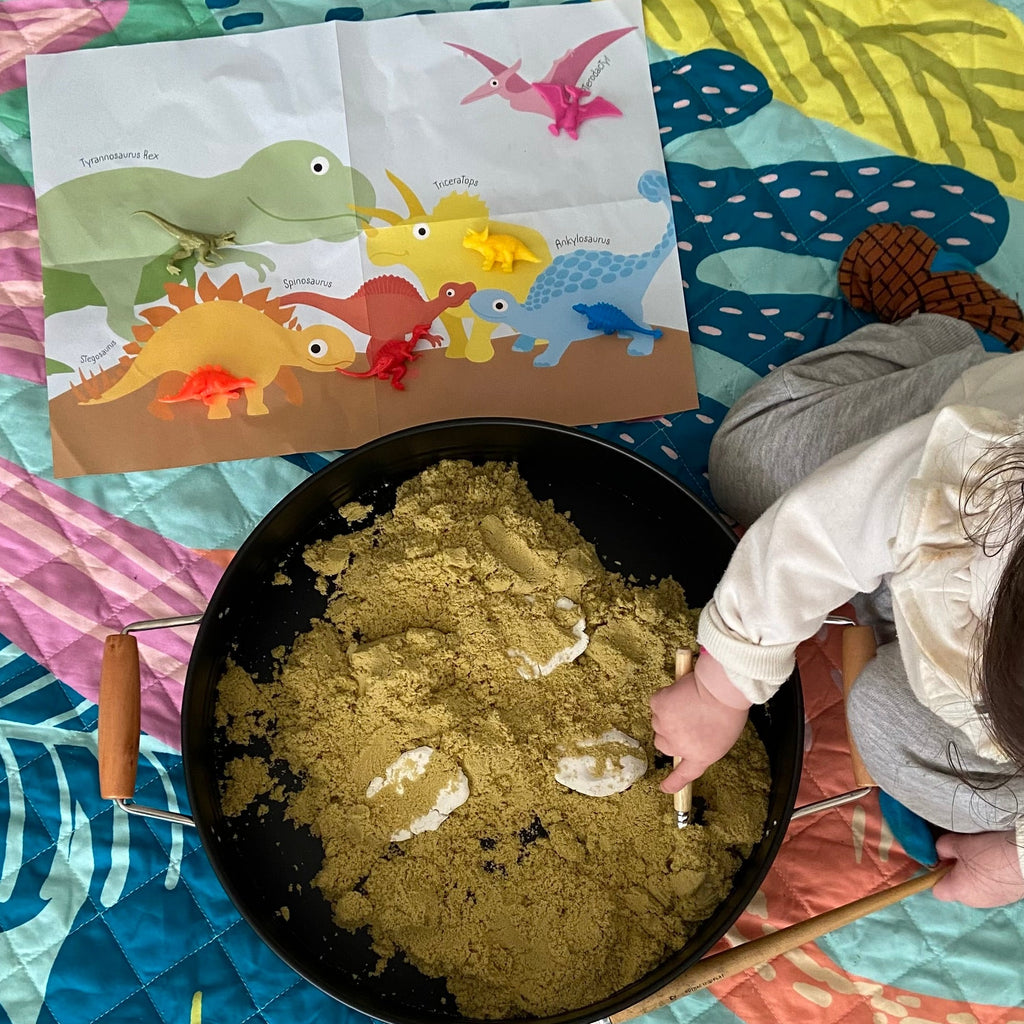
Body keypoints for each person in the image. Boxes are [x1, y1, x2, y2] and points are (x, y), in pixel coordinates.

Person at [651, 223, 1024, 908]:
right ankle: (946, 331)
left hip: (981, 633)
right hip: (949, 441)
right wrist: (719, 688)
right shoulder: (983, 478)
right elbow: (819, 532)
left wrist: (1019, 856)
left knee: (896, 726)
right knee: (750, 464)